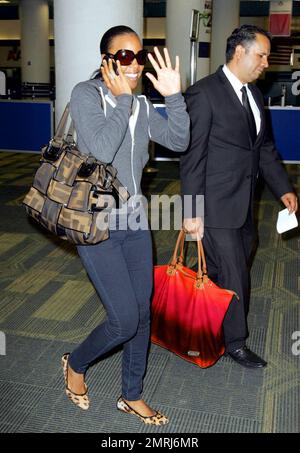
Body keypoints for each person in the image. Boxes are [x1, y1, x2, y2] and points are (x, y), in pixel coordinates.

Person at [61, 25, 189, 425]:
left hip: (135, 218)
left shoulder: (141, 104)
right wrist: (121, 101)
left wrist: (173, 96)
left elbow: (179, 141)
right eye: (124, 56)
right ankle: (76, 363)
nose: (134, 64)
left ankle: (131, 394)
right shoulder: (87, 94)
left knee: (142, 312)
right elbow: (100, 148)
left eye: (139, 54)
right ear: (107, 61)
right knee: (123, 319)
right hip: (96, 220)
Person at [181, 25, 298, 369]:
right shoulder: (204, 94)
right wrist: (191, 211)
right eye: (261, 55)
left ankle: (186, 312)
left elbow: (263, 150)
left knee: (219, 267)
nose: (266, 63)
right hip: (214, 206)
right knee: (235, 274)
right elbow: (192, 158)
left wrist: (284, 189)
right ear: (239, 53)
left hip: (244, 202)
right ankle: (235, 341)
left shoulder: (256, 95)